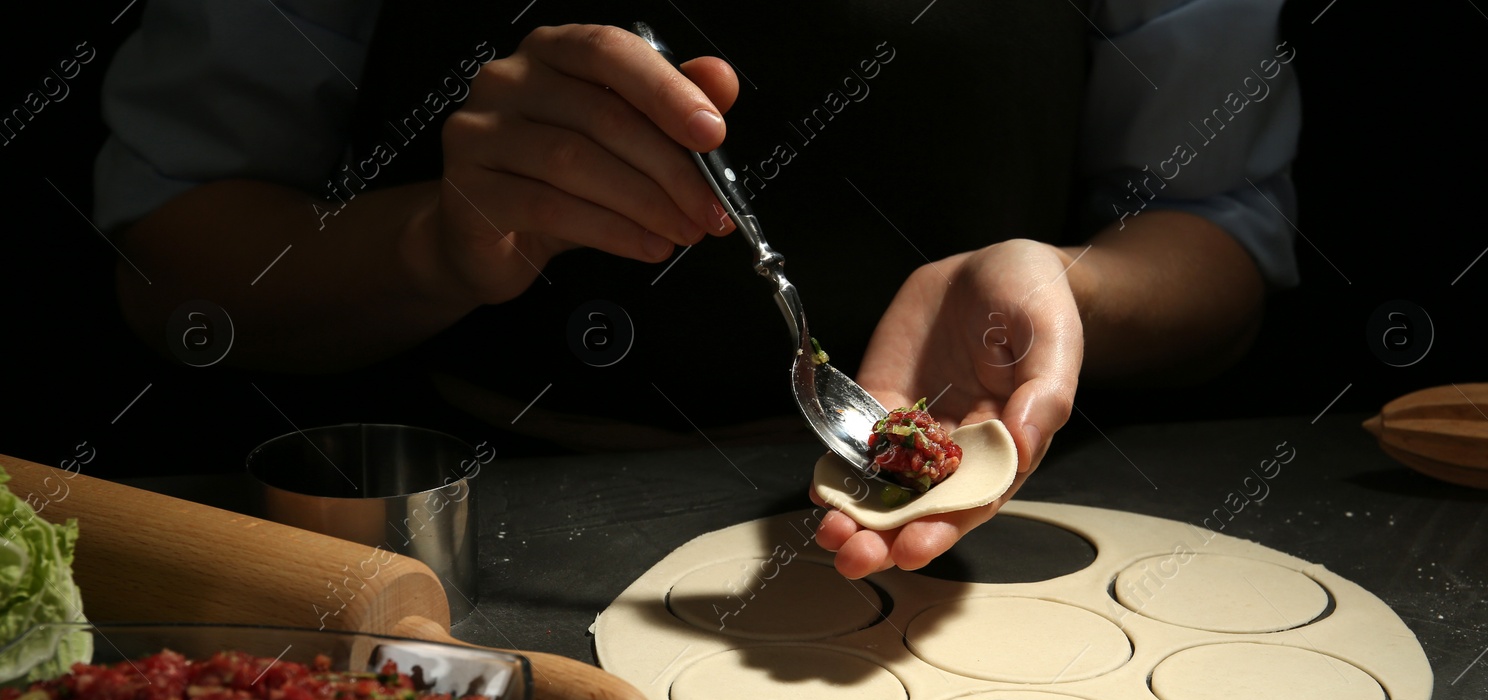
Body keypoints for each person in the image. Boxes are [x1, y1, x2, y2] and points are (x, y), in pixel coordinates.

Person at [94, 0, 1299, 579]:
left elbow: (1219, 232)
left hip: (981, 550)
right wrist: (438, 242)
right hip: (455, 525)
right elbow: (170, 261)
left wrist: (1067, 287)